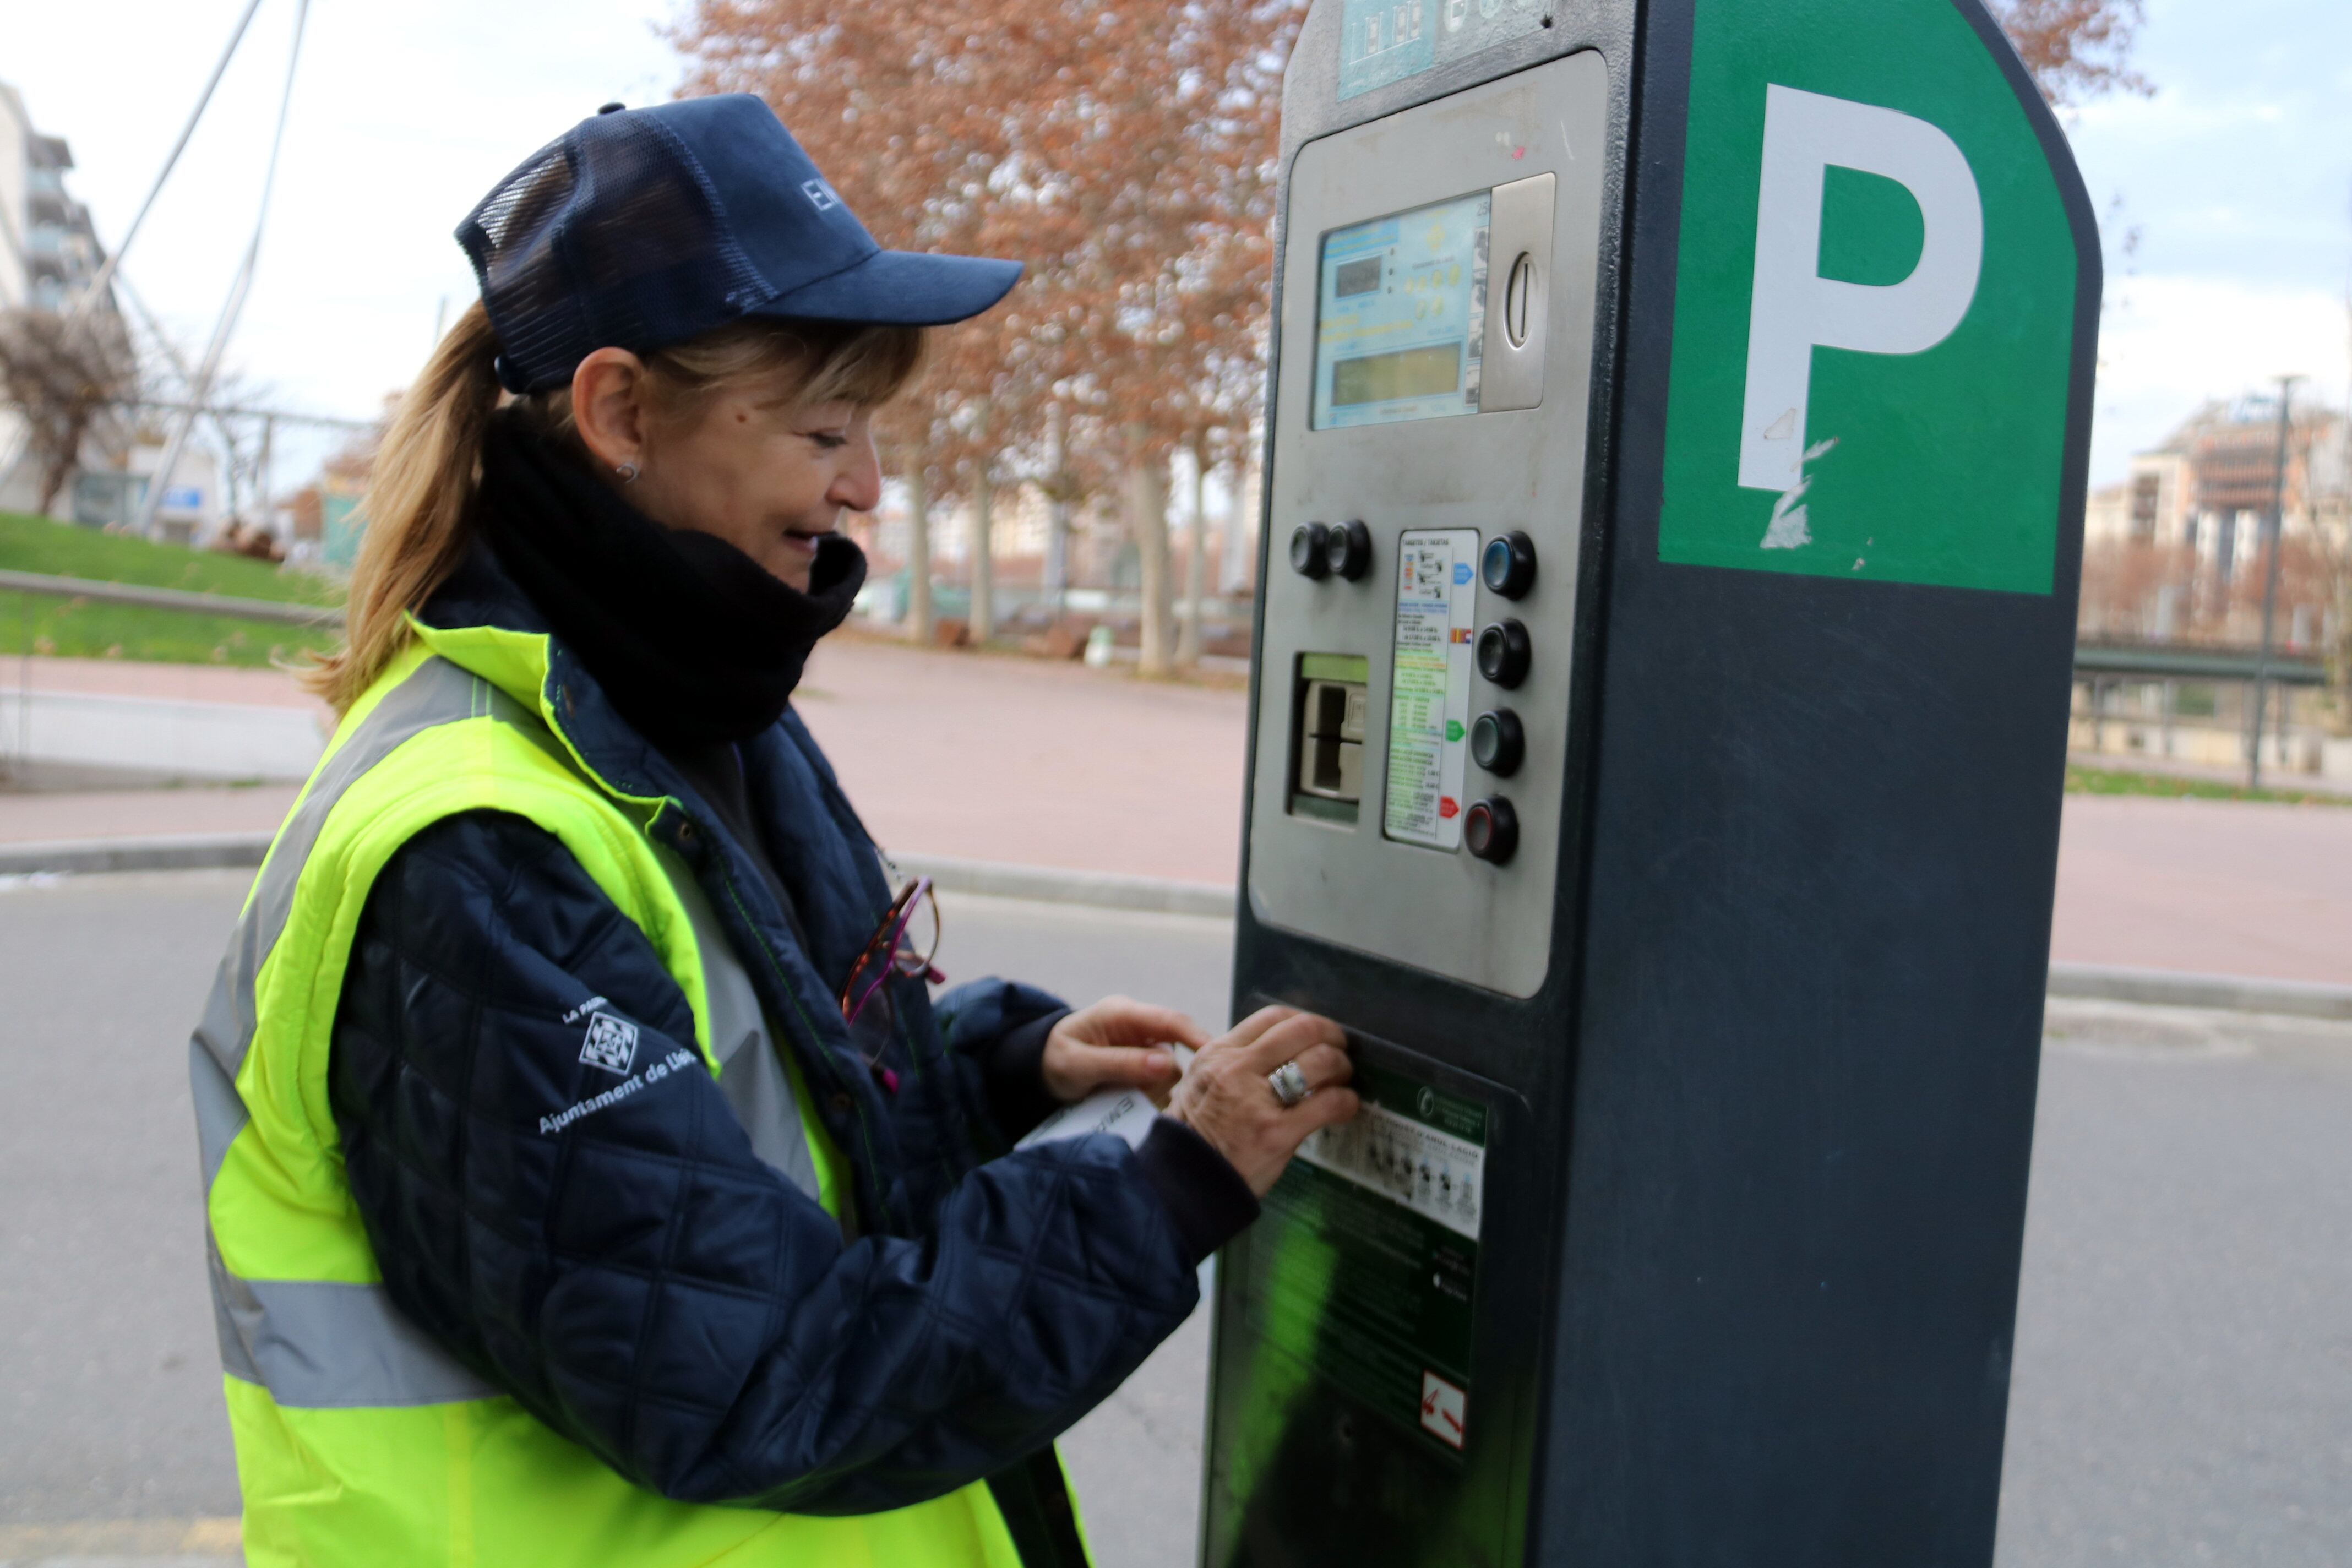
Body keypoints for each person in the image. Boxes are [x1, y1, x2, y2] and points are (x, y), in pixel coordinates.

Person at [187, 95, 1357, 1568]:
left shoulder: (679, 699)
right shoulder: (475, 847)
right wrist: (1158, 1192)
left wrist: (995, 1068)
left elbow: (728, 1102)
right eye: (825, 426)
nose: (867, 484)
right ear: (619, 414)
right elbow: (755, 1375)